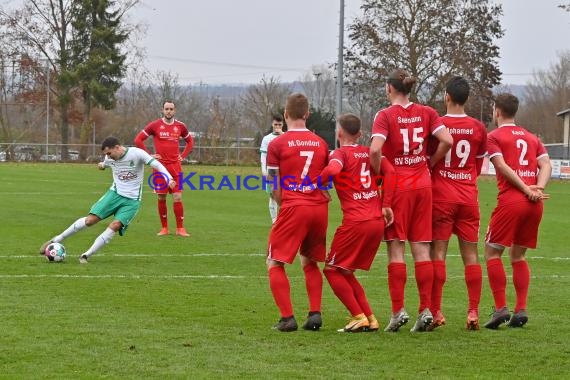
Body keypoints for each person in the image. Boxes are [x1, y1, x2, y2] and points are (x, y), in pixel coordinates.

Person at [369, 69, 453, 332]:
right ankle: (425, 310)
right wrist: (430, 161)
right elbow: (447, 140)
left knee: (395, 248)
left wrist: (379, 171)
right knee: (421, 249)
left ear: (389, 89)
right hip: (423, 184)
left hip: (399, 187)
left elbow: (374, 149)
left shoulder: (385, 115)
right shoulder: (427, 112)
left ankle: (397, 311)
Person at [39, 136, 176, 263]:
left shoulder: (137, 153)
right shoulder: (109, 158)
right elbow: (104, 165)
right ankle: (57, 239)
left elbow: (157, 165)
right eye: (106, 155)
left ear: (117, 147)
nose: (108, 156)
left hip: (132, 200)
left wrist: (168, 178)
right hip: (114, 194)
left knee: (115, 225)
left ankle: (86, 255)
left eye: (109, 153)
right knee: (90, 220)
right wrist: (102, 165)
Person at [320, 113, 395, 333]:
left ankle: (357, 315)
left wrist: (316, 182)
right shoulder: (368, 153)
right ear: (360, 134)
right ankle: (370, 318)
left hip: (356, 222)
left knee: (331, 269)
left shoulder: (340, 154)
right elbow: (390, 173)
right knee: (345, 271)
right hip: (376, 221)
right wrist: (386, 203)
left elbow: (332, 170)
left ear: (339, 133)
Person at [483, 93, 551, 329]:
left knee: (492, 253)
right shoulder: (532, 138)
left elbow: (501, 165)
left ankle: (501, 308)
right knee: (518, 256)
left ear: (497, 111)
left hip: (513, 200)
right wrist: (538, 188)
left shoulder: (493, 136)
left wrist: (524, 188)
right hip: (535, 203)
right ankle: (520, 310)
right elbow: (546, 164)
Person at [427, 76, 488, 331]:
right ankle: (473, 311)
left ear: (447, 97)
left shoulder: (437, 125)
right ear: (467, 98)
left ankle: (436, 311)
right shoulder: (478, 127)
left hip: (441, 195)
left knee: (437, 254)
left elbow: (431, 158)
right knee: (471, 256)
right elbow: (476, 164)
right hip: (468, 197)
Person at [266, 93, 330, 332]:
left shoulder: (277, 144)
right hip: (319, 208)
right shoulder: (321, 143)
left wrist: (285, 205)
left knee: (274, 261)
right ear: (307, 114)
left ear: (285, 114)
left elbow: (274, 186)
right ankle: (314, 314)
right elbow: (326, 179)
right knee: (310, 261)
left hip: (294, 206)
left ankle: (287, 318)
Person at [134, 100, 193, 237]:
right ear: (162, 110)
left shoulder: (180, 126)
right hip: (160, 168)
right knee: (161, 198)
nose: (169, 111)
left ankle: (180, 229)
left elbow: (190, 141)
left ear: (175, 110)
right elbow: (138, 140)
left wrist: (182, 156)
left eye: (171, 109)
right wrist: (149, 156)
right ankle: (164, 228)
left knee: (178, 197)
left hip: (176, 167)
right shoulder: (155, 125)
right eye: (166, 109)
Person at [259, 114, 285, 223]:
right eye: (275, 124)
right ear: (272, 124)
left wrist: (282, 135)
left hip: (285, 171)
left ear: (283, 124)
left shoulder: (287, 136)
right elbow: (263, 155)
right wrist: (264, 170)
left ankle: (284, 219)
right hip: (272, 172)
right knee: (272, 195)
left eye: (279, 124)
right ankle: (274, 220)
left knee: (286, 195)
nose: (277, 126)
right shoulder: (267, 139)